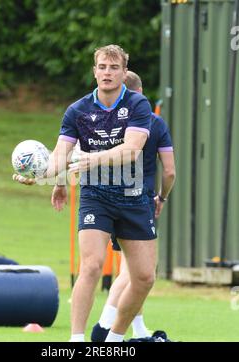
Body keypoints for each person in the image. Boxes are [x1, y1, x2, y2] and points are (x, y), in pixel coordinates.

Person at [14, 44, 155, 342]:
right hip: (96, 196)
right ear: (94, 71)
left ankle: (114, 338)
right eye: (102, 67)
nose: (107, 73)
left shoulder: (138, 105)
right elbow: (61, 156)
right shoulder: (77, 111)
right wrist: (39, 174)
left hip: (133, 196)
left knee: (143, 278)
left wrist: (95, 158)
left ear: (122, 72)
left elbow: (132, 150)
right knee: (90, 265)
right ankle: (76, 340)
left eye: (113, 68)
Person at [91, 71, 176, 342]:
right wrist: (161, 198)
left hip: (104, 201)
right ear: (139, 92)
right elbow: (170, 171)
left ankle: (126, 328)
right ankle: (107, 330)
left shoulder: (104, 122)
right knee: (140, 273)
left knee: (129, 272)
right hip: (139, 203)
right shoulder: (153, 122)